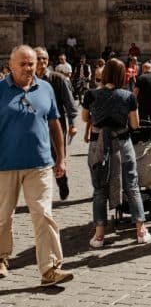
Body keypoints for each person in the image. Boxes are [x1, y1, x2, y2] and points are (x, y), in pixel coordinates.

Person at [0, 45, 73, 286]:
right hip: (5, 165)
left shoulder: (46, 88)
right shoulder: (0, 90)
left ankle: (50, 268)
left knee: (43, 215)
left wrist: (60, 158)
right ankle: (1, 257)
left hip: (39, 163)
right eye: (22, 63)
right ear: (10, 65)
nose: (28, 68)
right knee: (2, 216)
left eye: (31, 63)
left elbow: (54, 125)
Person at [82, 58, 151, 246]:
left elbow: (84, 117)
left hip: (98, 144)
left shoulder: (91, 94)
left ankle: (99, 235)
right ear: (122, 76)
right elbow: (135, 125)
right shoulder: (128, 96)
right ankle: (141, 231)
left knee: (99, 188)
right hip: (121, 142)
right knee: (131, 184)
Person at [34, 48, 78, 200]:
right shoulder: (29, 79)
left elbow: (70, 103)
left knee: (56, 156)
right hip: (35, 125)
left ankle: (62, 181)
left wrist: (72, 123)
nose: (42, 62)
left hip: (56, 125)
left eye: (44, 59)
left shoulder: (57, 78)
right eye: (39, 58)